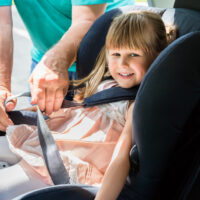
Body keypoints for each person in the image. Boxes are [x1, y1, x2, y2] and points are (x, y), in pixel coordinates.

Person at [0, 11, 177, 200]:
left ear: (158, 56)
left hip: (66, 163)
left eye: (134, 54)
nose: (122, 63)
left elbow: (120, 159)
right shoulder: (107, 84)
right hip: (52, 142)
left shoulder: (136, 105)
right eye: (116, 53)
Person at [0, 0, 134, 132]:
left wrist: (55, 63)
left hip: (105, 62)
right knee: (43, 132)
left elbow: (88, 20)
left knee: (104, 134)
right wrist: (2, 87)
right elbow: (2, 24)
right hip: (44, 61)